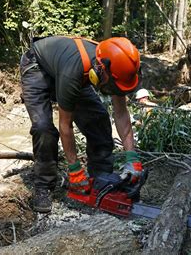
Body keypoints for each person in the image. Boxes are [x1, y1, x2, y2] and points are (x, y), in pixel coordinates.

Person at [20, 36, 143, 213]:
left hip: (71, 71)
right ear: (101, 70)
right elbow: (65, 124)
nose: (114, 89)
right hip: (37, 67)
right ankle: (43, 186)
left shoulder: (115, 65)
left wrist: (132, 156)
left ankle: (102, 181)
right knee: (44, 128)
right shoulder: (75, 70)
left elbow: (121, 113)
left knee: (98, 120)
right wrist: (74, 169)